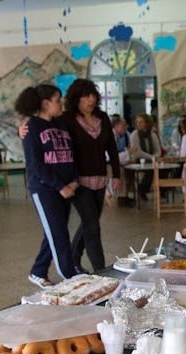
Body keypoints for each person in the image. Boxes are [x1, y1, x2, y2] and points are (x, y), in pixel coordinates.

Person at [15, 84, 79, 288]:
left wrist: (74, 180)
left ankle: (38, 271)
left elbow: (71, 153)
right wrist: (60, 186)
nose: (61, 104)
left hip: (66, 187)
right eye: (57, 100)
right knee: (59, 234)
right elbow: (35, 165)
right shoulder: (31, 126)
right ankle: (71, 278)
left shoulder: (62, 123)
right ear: (45, 104)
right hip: (45, 189)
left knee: (54, 230)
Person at [63, 79, 120, 272]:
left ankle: (74, 257)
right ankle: (101, 272)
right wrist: (23, 128)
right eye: (86, 96)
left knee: (90, 222)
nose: (91, 99)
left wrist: (116, 175)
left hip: (100, 179)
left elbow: (112, 147)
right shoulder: (67, 119)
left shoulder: (102, 117)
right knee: (93, 227)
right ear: (76, 98)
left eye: (93, 95)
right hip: (78, 182)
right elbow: (43, 127)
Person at [130, 113, 162, 201]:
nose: (139, 124)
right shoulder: (134, 134)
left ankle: (162, 191)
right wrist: (152, 157)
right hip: (138, 160)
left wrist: (154, 157)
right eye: (137, 122)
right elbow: (138, 152)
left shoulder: (153, 135)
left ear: (147, 123)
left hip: (151, 160)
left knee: (162, 168)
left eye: (141, 122)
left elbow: (158, 151)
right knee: (151, 168)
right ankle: (142, 190)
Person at [112, 117, 135, 207]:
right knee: (121, 171)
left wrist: (128, 158)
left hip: (119, 161)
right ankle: (121, 198)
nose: (126, 127)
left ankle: (125, 195)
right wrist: (128, 153)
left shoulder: (124, 135)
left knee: (130, 169)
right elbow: (111, 156)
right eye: (123, 125)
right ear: (116, 126)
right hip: (108, 163)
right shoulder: (111, 136)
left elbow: (124, 150)